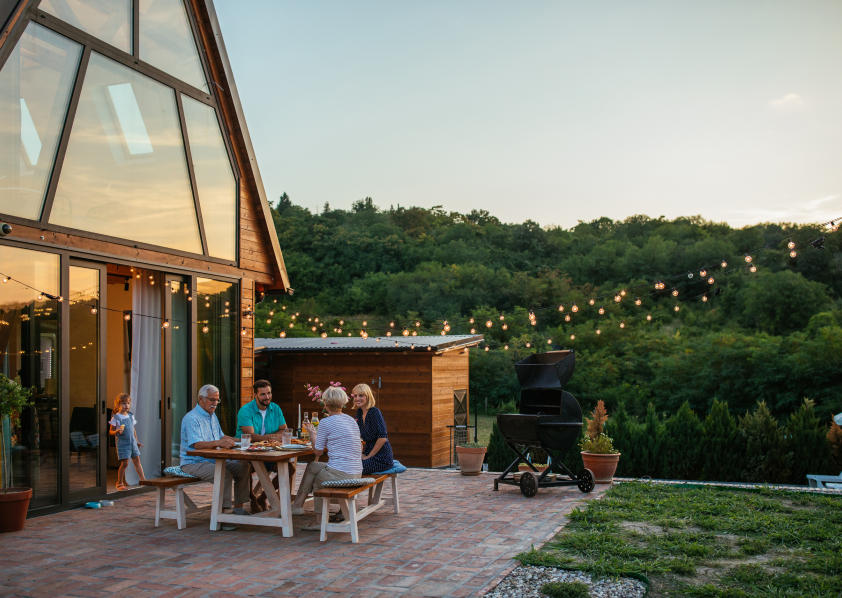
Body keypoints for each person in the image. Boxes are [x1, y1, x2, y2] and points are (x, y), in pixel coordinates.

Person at [290, 386, 362, 531]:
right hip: (356, 471)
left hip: (340, 473)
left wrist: (311, 433)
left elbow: (317, 452)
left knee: (318, 480)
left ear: (325, 404)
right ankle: (298, 505)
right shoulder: (350, 420)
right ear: (343, 403)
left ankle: (318, 521)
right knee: (312, 466)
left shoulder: (325, 422)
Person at [180, 384, 251, 525]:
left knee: (244, 466)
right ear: (201, 398)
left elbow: (221, 436)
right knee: (223, 473)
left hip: (212, 460)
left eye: (217, 400)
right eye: (212, 400)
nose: (215, 404)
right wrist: (219, 442)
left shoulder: (212, 415)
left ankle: (238, 509)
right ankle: (222, 516)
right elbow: (197, 444)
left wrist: (244, 440)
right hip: (193, 462)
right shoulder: (192, 418)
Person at [236, 379, 294, 512]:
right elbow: (250, 436)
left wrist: (265, 439)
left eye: (269, 393)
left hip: (269, 452)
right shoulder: (245, 410)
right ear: (255, 395)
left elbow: (284, 430)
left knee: (289, 469)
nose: (267, 397)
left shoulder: (275, 408)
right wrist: (272, 437)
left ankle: (263, 497)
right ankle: (252, 498)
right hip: (248, 452)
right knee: (243, 468)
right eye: (263, 394)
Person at [353, 384, 394, 475]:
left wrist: (368, 456)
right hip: (368, 452)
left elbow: (382, 438)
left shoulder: (374, 412)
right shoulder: (359, 412)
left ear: (368, 396)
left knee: (354, 468)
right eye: (355, 396)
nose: (357, 398)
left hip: (381, 457)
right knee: (347, 464)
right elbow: (358, 436)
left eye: (361, 395)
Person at [109, 393, 145, 491]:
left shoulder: (130, 416)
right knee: (125, 464)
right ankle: (119, 482)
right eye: (124, 403)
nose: (127, 406)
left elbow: (133, 430)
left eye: (128, 403)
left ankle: (144, 481)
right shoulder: (116, 417)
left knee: (137, 461)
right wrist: (116, 431)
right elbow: (110, 431)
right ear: (118, 405)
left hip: (132, 443)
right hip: (123, 444)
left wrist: (137, 441)